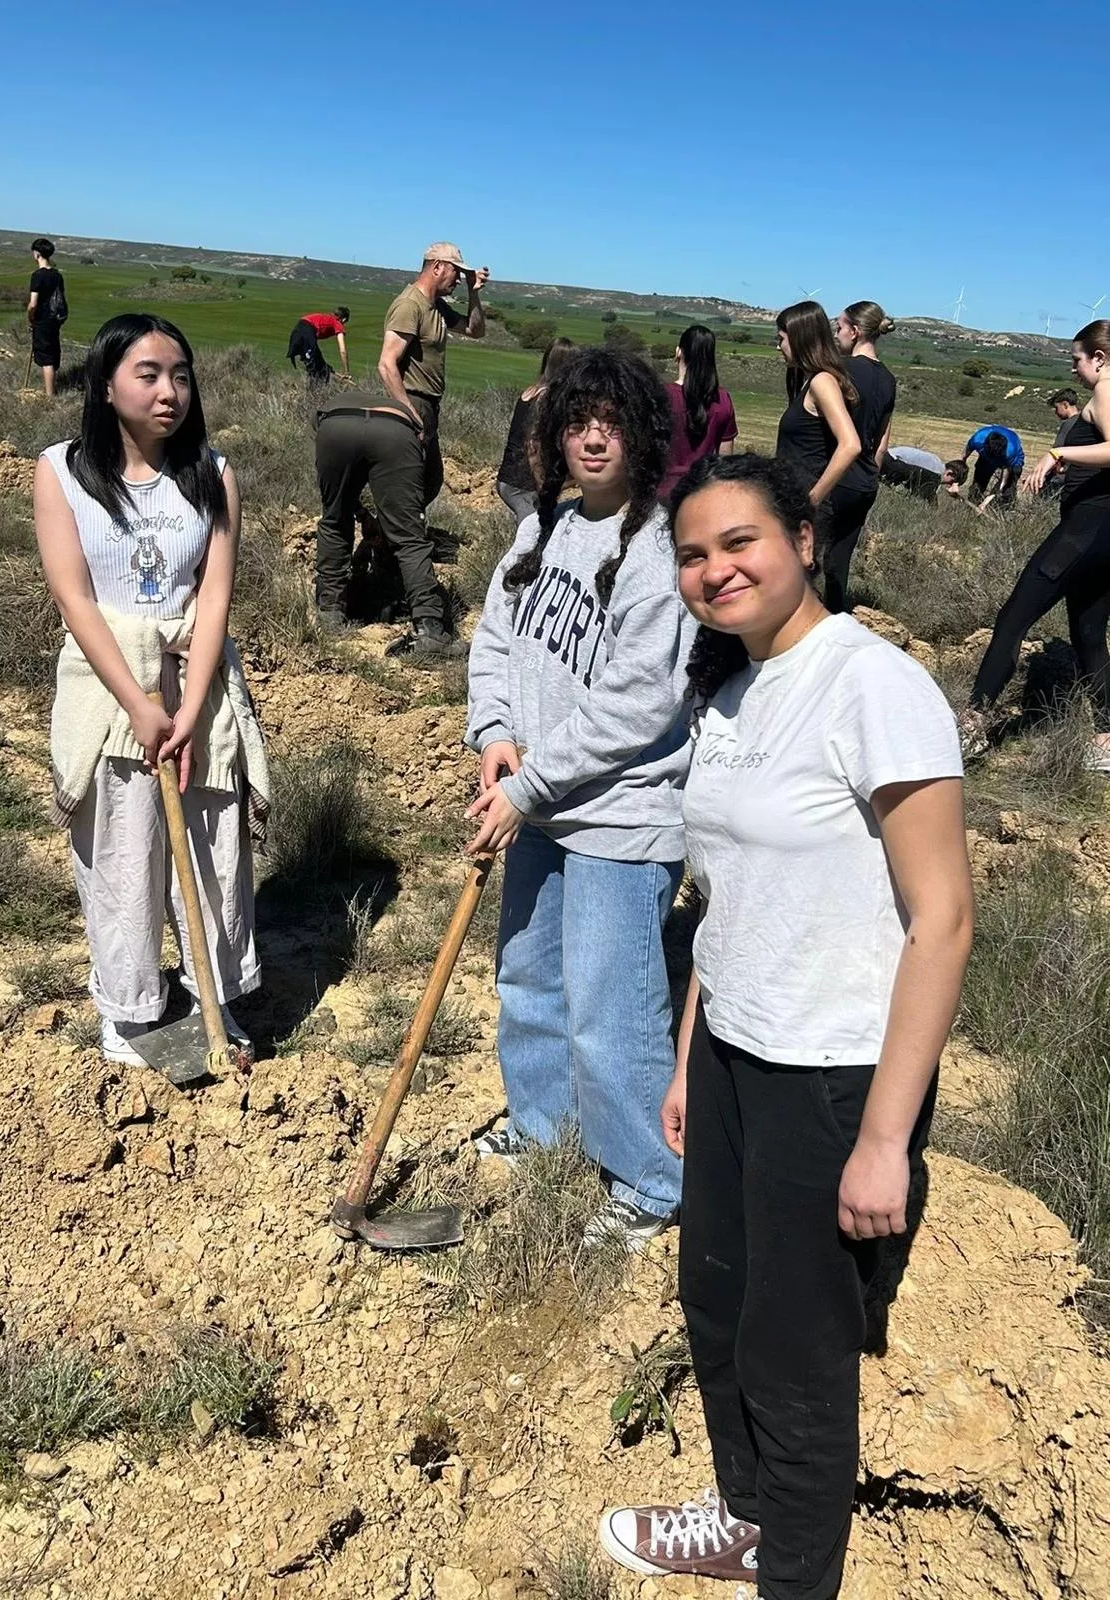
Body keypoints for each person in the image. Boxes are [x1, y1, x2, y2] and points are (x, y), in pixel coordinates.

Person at [599, 452, 972, 1600]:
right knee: (712, 1298)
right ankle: (746, 1517)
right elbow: (722, 903)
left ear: (802, 541)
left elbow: (942, 918)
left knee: (796, 1346)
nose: (715, 570)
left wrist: (879, 1137)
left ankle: (794, 1577)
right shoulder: (729, 691)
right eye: (692, 554)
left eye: (738, 543)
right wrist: (683, 1058)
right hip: (727, 1054)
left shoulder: (871, 685)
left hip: (829, 1072)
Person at [464, 347, 697, 1249]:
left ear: (642, 434)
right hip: (535, 801)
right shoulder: (539, 532)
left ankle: (647, 1178)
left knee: (612, 1006)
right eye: (576, 422)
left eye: (611, 423)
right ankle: (541, 1126)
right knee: (527, 978)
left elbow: (637, 704)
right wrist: (493, 738)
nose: (592, 439)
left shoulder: (656, 549)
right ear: (552, 435)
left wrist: (528, 784)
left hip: (620, 817)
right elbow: (493, 641)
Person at [33, 313, 270, 1068]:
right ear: (106, 385)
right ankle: (129, 1008)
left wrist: (191, 708)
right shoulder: (61, 471)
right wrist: (140, 704)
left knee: (210, 849)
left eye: (180, 374)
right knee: (123, 849)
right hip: (110, 688)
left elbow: (214, 600)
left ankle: (212, 996)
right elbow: (73, 598)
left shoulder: (213, 474)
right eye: (148, 374)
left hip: (196, 680)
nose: (169, 391)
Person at [961, 320, 1110, 771]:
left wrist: (1059, 454)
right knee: (1088, 635)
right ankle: (1105, 740)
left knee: (1012, 618)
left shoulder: (1106, 391)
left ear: (1099, 359)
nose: (1073, 367)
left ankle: (971, 727)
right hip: (1103, 536)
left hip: (1084, 532)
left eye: (1077, 359)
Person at [313, 387, 466, 655]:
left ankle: (330, 613)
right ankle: (430, 629)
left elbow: (337, 497)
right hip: (394, 432)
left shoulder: (330, 411)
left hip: (335, 426)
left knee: (334, 520)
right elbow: (418, 502)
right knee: (410, 541)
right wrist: (388, 525)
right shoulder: (421, 439)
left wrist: (361, 515)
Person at [378, 243, 489, 509]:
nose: (460, 280)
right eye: (456, 272)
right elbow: (386, 364)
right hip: (413, 401)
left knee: (429, 479)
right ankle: (396, 538)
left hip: (428, 405)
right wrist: (410, 414)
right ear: (437, 267)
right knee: (413, 481)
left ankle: (399, 534)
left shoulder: (436, 306)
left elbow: (475, 330)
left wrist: (475, 294)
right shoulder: (409, 305)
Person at [773, 301, 863, 610]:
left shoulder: (822, 382)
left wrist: (812, 498)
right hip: (790, 499)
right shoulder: (809, 380)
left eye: (781, 338)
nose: (778, 347)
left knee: (791, 590)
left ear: (798, 338)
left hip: (803, 501)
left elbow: (850, 444)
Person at [827, 301, 898, 610]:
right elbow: (883, 439)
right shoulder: (888, 379)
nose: (837, 335)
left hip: (835, 474)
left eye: (840, 328)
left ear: (855, 332)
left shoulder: (841, 371)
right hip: (865, 479)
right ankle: (836, 616)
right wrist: (871, 475)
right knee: (839, 561)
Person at [496, 338, 577, 526]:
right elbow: (534, 442)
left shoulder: (530, 392)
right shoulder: (546, 398)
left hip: (510, 478)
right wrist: (543, 484)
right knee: (531, 538)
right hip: (523, 484)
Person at [658, 324, 738, 501]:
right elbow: (725, 460)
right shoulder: (723, 399)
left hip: (663, 492)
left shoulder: (661, 396)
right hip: (704, 493)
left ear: (678, 352)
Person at [27, 237, 66, 399]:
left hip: (42, 319)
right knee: (52, 352)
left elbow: (33, 304)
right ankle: (52, 389)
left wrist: (30, 318)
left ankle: (50, 396)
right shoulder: (57, 275)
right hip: (56, 319)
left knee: (46, 358)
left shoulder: (37, 276)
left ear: (37, 254)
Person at [960, 423, 1025, 511]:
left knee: (1006, 491)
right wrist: (958, 479)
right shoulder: (978, 439)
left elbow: (1003, 482)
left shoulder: (1010, 452)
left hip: (1014, 463)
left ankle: (1003, 511)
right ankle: (969, 511)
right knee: (977, 487)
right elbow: (963, 458)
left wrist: (984, 503)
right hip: (985, 459)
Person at [286, 307, 351, 390]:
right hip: (307, 332)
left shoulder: (326, 318)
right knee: (317, 371)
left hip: (297, 332)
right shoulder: (337, 323)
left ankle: (314, 394)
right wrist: (346, 372)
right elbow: (343, 351)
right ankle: (314, 397)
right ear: (344, 319)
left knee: (321, 367)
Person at [880, 446, 968, 501]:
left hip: (887, 456)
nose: (948, 485)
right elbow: (930, 498)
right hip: (889, 460)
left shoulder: (936, 462)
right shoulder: (935, 473)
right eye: (950, 483)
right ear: (949, 473)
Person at [1045, 387, 1082, 497]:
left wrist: (1044, 473)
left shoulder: (1069, 424)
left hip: (1060, 478)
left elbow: (1056, 452)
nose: (1056, 412)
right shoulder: (1084, 421)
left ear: (1065, 405)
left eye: (1057, 408)